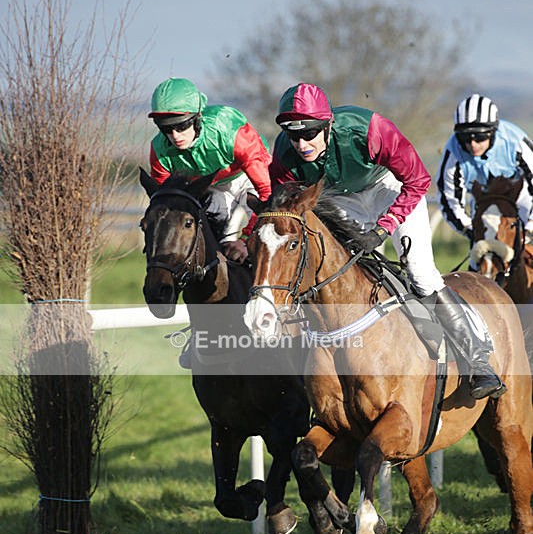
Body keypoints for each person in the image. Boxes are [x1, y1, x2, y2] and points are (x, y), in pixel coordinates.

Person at [269, 82, 505, 399]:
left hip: (389, 189)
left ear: (327, 125)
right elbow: (289, 209)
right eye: (292, 133)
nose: (300, 143)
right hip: (338, 200)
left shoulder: (369, 130)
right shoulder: (284, 154)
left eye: (309, 133)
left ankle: (478, 359)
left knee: (420, 272)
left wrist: (383, 228)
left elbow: (418, 180)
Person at [148, 77, 271, 263]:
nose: (175, 136)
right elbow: (167, 205)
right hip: (213, 187)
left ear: (197, 118)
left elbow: (266, 193)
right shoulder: (159, 150)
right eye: (166, 129)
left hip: (249, 178)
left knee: (253, 240)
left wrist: (246, 238)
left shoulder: (229, 130)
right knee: (222, 243)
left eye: (182, 126)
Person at [436, 92, 533, 244]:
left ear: (493, 132)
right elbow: (449, 200)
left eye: (480, 137)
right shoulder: (453, 152)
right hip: (482, 200)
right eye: (465, 138)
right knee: (480, 255)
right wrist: (470, 230)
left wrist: (530, 227)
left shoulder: (515, 141)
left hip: (521, 196)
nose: (472, 144)